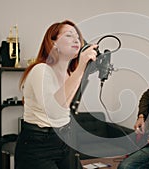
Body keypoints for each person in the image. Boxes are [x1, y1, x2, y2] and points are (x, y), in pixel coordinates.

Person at [15, 20, 98, 169]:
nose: (76, 40)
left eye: (78, 37)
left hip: (64, 140)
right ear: (53, 43)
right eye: (69, 35)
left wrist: (82, 70)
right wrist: (81, 67)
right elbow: (54, 109)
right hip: (38, 145)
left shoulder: (69, 73)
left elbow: (68, 106)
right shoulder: (41, 70)